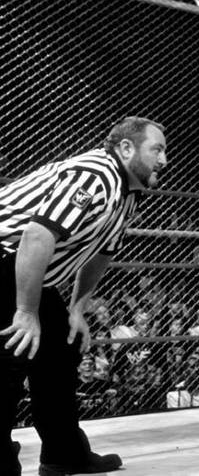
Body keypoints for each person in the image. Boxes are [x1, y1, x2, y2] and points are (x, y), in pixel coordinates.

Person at [0, 116, 167, 476]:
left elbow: (102, 253)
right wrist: (25, 311)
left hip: (26, 270)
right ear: (126, 148)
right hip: (7, 257)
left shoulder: (127, 194)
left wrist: (76, 309)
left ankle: (63, 454)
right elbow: (37, 236)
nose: (164, 160)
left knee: (62, 348)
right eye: (157, 149)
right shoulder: (95, 176)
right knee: (13, 351)